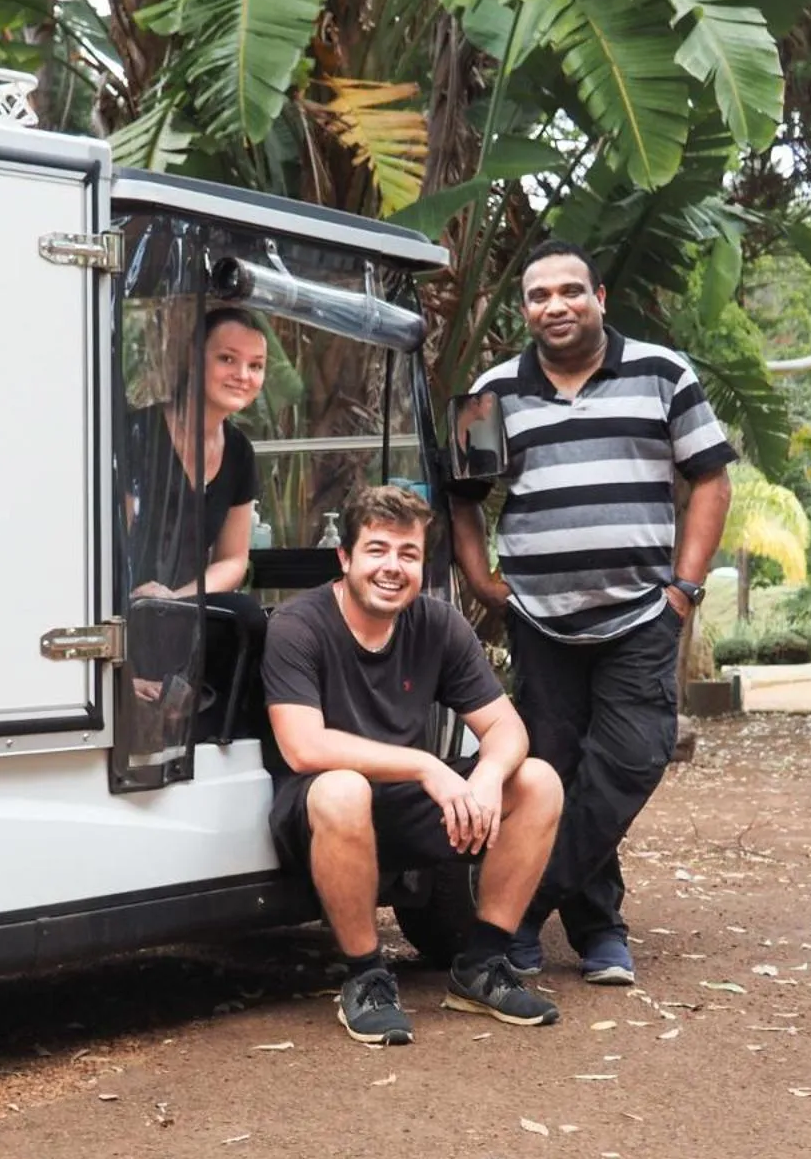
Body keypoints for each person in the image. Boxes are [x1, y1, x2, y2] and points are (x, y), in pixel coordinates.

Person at [450, 240, 735, 987]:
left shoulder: (662, 373)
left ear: (600, 297)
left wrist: (684, 589)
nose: (556, 306)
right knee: (556, 769)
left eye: (571, 291)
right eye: (540, 295)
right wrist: (481, 578)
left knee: (635, 757)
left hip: (644, 613)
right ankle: (602, 930)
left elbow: (709, 480)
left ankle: (514, 911)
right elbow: (462, 498)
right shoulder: (491, 392)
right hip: (540, 620)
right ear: (525, 310)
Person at [263, 485, 564, 1045]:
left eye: (408, 554)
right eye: (377, 550)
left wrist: (486, 778)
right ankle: (366, 977)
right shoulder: (297, 625)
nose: (392, 568)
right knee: (343, 788)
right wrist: (427, 767)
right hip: (316, 811)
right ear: (345, 558)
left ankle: (481, 965)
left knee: (538, 782)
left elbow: (506, 728)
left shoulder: (437, 623)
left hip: (403, 805)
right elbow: (303, 747)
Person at [123, 307, 271, 737]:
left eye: (256, 366)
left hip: (179, 607)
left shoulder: (240, 451)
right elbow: (110, 544)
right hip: (124, 604)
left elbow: (232, 560)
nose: (243, 374)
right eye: (227, 358)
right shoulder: (139, 434)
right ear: (194, 359)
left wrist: (176, 597)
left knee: (247, 619)